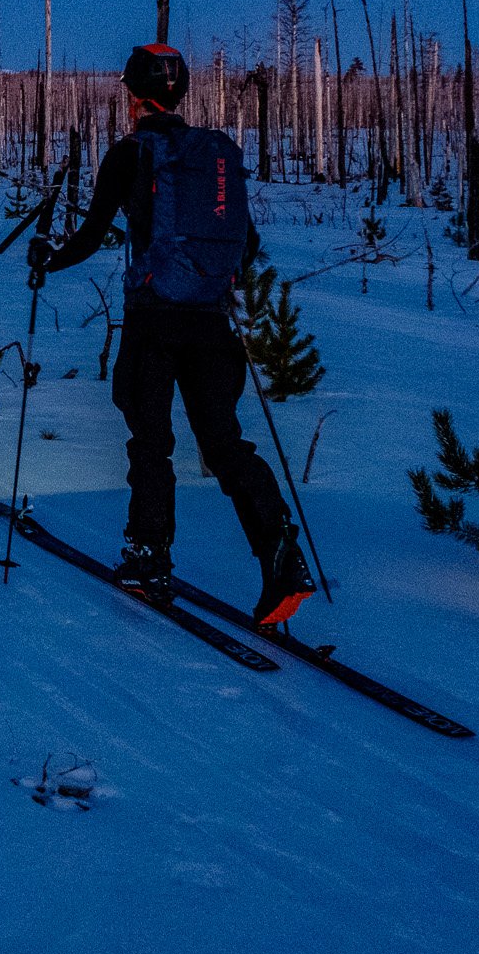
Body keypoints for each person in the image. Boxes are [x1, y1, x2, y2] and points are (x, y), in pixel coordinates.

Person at [27, 44, 316, 626]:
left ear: (133, 97)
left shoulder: (130, 153)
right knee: (224, 446)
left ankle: (148, 557)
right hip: (213, 324)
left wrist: (47, 259)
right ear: (181, 93)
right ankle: (282, 558)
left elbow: (87, 237)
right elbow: (249, 245)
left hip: (153, 321)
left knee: (151, 442)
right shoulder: (213, 154)